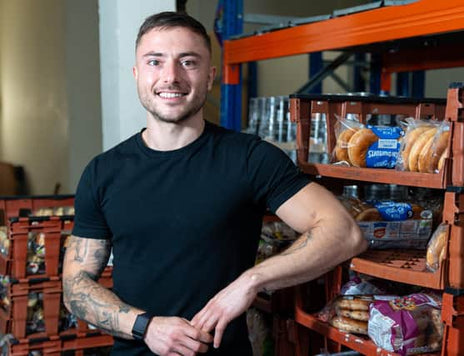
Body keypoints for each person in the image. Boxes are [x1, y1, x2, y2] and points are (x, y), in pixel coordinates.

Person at [62, 11, 367, 356]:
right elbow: (76, 286)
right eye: (155, 62)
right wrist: (146, 327)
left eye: (187, 62)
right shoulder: (103, 172)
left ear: (209, 77)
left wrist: (251, 281)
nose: (171, 76)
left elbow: (344, 233)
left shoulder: (250, 159)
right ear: (137, 74)